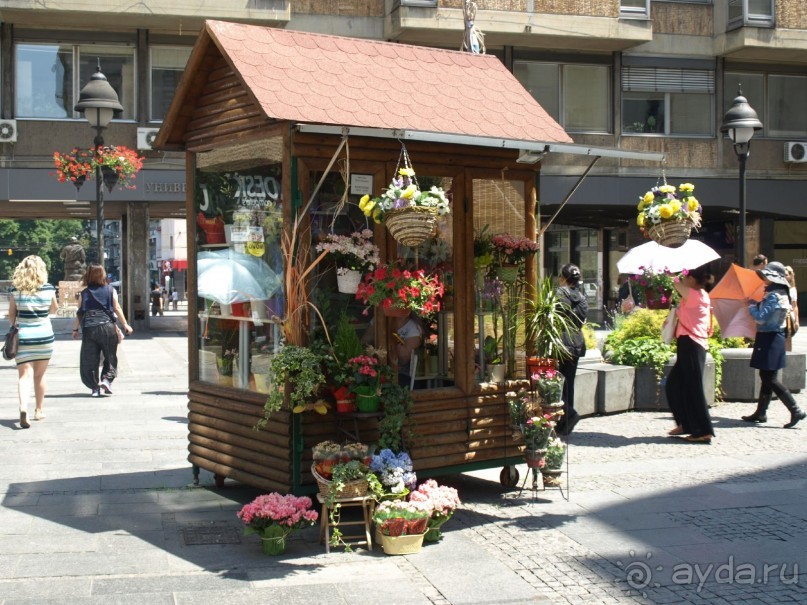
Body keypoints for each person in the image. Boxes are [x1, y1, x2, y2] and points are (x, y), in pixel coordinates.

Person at [742, 262, 805, 428]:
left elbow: (761, 318)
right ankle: (761, 413)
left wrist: (751, 306)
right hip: (775, 337)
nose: (764, 278)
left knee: (768, 377)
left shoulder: (773, 295)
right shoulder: (780, 293)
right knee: (767, 376)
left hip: (769, 337)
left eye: (766, 275)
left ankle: (795, 409)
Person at [666, 264, 715, 443]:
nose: (683, 279)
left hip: (693, 344)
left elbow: (676, 284)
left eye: (686, 276)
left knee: (694, 388)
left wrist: (667, 272)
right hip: (687, 343)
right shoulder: (694, 295)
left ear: (692, 279)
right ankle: (685, 423)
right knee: (674, 385)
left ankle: (703, 430)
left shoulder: (696, 295)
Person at [8, 256, 58, 428]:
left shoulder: (16, 290)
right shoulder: (49, 289)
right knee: (40, 375)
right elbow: (54, 309)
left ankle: (23, 408)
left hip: (23, 337)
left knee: (24, 375)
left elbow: (11, 315)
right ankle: (39, 410)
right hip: (44, 336)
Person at [73, 264, 134, 397]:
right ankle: (106, 380)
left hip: (90, 330)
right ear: (103, 275)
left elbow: (79, 313)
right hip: (107, 328)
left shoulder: (84, 293)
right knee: (110, 356)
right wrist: (125, 325)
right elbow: (117, 308)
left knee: (90, 359)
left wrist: (75, 329)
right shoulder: (110, 290)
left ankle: (94, 387)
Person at [554, 264, 588, 436]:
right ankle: (565, 423)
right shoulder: (582, 297)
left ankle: (569, 415)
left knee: (556, 383)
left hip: (560, 342)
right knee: (569, 384)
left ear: (563, 278)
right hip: (576, 343)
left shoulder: (558, 294)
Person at [391, 312, 423, 389]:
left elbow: (403, 359)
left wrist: (392, 334)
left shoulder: (413, 328)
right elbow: (365, 340)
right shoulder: (380, 321)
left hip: (403, 376)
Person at [785, 265, 799, 352]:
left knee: (789, 336)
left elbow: (795, 305)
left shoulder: (792, 289)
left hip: (789, 314)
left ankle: (788, 354)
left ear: (790, 276)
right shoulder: (779, 286)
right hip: (780, 313)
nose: (785, 276)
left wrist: (797, 320)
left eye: (786, 274)